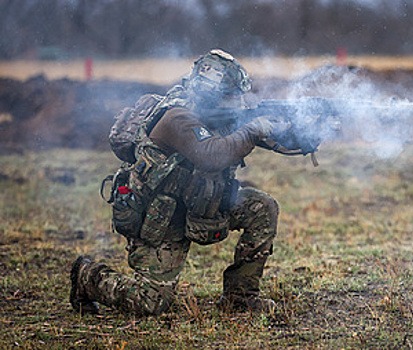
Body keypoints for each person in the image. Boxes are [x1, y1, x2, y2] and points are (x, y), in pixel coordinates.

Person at [70, 49, 286, 316]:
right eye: (231, 96)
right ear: (210, 93)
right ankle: (87, 276)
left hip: (203, 202)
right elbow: (212, 155)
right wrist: (254, 129)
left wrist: (303, 131)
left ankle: (240, 298)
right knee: (149, 303)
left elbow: (271, 140)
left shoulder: (220, 116)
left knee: (262, 208)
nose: (238, 102)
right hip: (161, 218)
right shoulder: (176, 116)